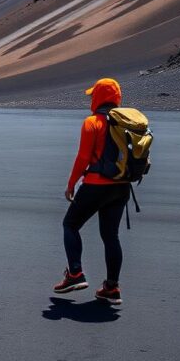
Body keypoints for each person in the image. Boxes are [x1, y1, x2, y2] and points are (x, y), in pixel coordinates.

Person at [52, 78, 129, 305]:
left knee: (70, 224)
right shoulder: (127, 123)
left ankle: (75, 274)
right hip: (122, 187)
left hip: (96, 185)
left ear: (99, 97)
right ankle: (112, 288)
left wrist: (70, 185)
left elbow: (84, 157)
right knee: (110, 236)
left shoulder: (92, 122)